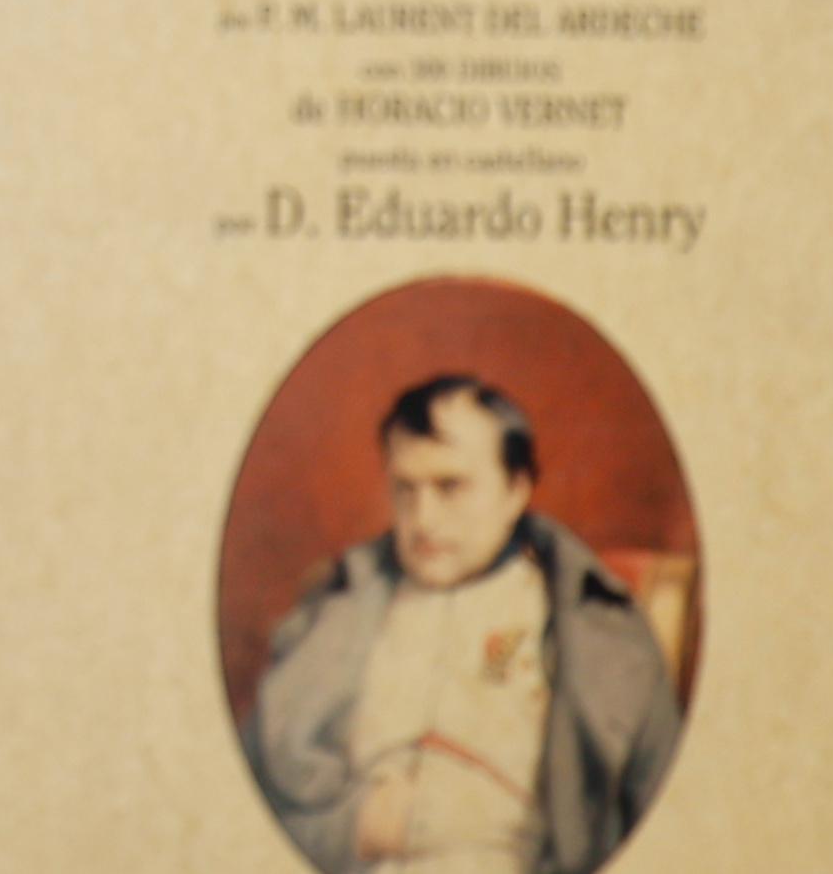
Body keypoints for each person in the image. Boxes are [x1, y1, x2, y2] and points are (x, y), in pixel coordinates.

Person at [246, 374, 683, 874]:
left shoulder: (597, 629)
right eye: (404, 489)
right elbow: (251, 796)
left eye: (450, 486)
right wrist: (355, 827)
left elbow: (663, 818)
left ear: (516, 490)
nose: (423, 519)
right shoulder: (335, 611)